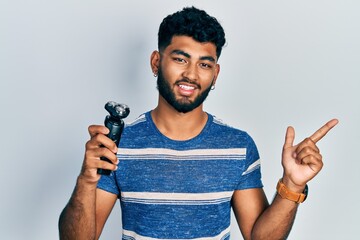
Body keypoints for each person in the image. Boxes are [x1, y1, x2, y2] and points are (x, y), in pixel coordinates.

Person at [58, 6, 338, 240]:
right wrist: (86, 181)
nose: (191, 74)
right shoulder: (119, 145)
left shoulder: (238, 146)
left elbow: (259, 237)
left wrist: (292, 185)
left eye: (204, 64)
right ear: (156, 62)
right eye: (180, 59)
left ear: (215, 74)